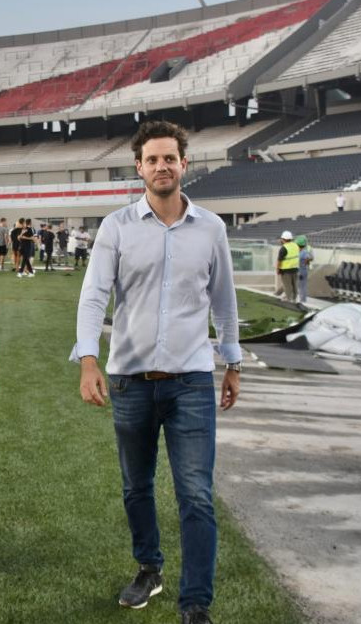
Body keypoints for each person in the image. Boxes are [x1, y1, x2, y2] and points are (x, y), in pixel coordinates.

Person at [73, 120, 241, 624]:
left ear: (183, 164)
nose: (162, 166)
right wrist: (87, 360)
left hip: (190, 380)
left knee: (195, 493)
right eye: (152, 159)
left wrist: (232, 362)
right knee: (136, 486)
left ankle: (195, 604)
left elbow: (225, 301)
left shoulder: (212, 228)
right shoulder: (116, 226)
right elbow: (94, 296)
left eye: (170, 158)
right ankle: (149, 568)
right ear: (139, 167)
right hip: (129, 381)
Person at [277, 230, 299, 304]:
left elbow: (279, 260)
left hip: (286, 270)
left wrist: (278, 269)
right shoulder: (295, 245)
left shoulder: (284, 248)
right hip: (295, 268)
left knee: (287, 285)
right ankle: (294, 298)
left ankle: (288, 299)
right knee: (294, 284)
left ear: (283, 239)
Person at [296, 235, 313, 303]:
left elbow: (308, 258)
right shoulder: (302, 251)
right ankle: (302, 299)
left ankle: (302, 300)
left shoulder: (303, 252)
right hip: (302, 269)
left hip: (302, 270)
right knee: (301, 285)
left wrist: (305, 263)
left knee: (302, 286)